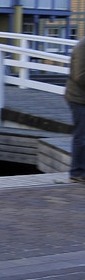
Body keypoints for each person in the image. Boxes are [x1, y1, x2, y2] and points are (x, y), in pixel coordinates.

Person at [65, 34, 85, 183]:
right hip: (79, 98)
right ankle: (76, 172)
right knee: (81, 136)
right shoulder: (82, 47)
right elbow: (80, 76)